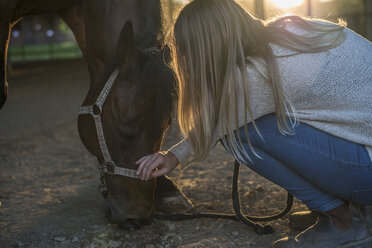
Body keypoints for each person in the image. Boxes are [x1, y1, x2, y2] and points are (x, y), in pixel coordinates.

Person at [135, 0, 372, 247]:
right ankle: (351, 208)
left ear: (204, 48)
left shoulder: (256, 73)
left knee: (239, 134)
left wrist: (172, 156)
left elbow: (218, 125)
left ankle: (343, 223)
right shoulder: (287, 32)